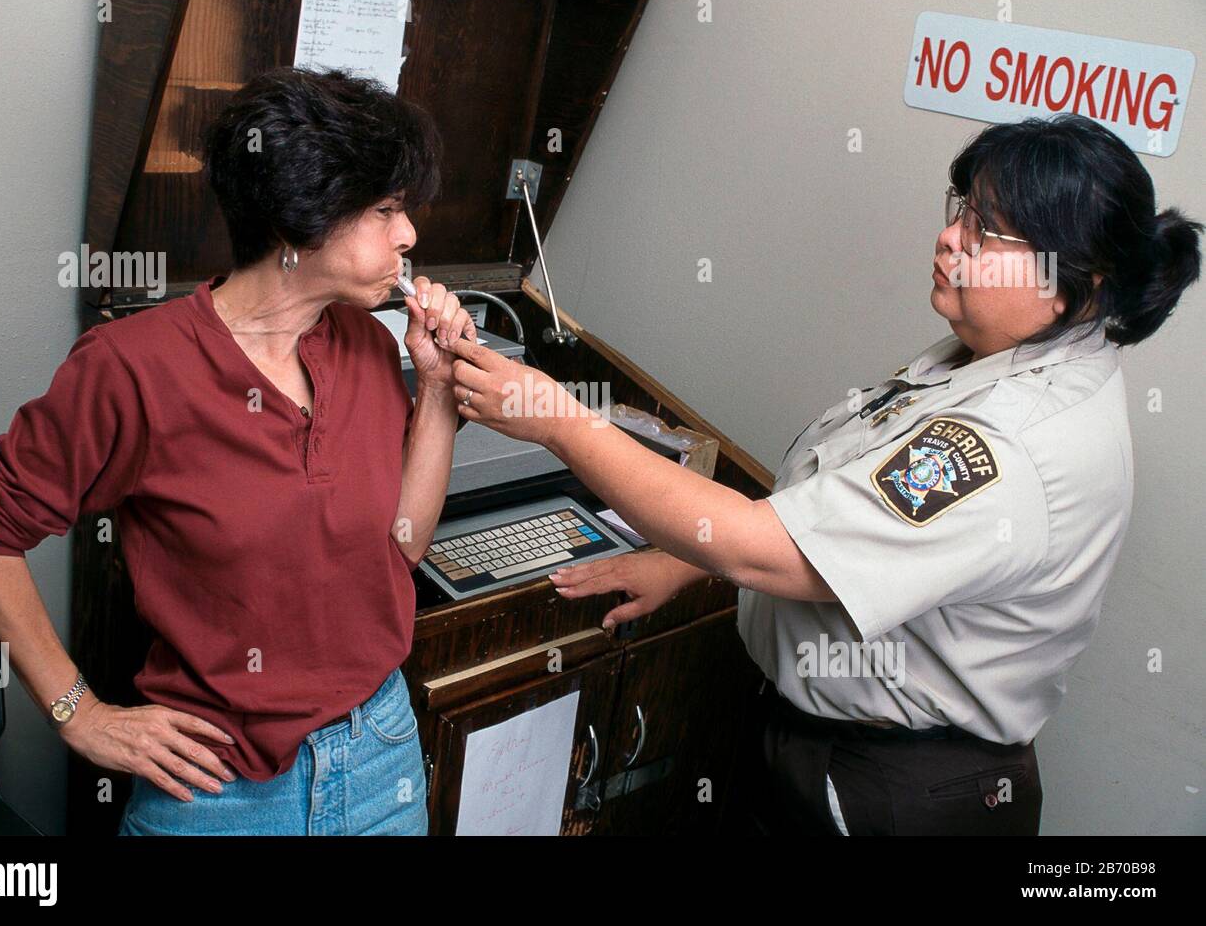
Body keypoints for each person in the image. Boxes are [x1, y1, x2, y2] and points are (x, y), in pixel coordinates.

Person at [443, 113, 1202, 835]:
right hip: (829, 740)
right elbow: (845, 513)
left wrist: (559, 420)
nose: (948, 239)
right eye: (961, 209)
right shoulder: (1000, 353)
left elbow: (768, 546)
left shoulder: (1014, 437)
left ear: (1079, 283)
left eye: (985, 231)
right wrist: (691, 558)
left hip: (892, 788)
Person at [0, 67, 476, 835]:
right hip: (220, 793)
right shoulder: (131, 368)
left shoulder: (366, 342)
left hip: (381, 756)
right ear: (306, 212)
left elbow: (402, 548)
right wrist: (79, 711)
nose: (410, 234)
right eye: (388, 208)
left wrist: (434, 392)